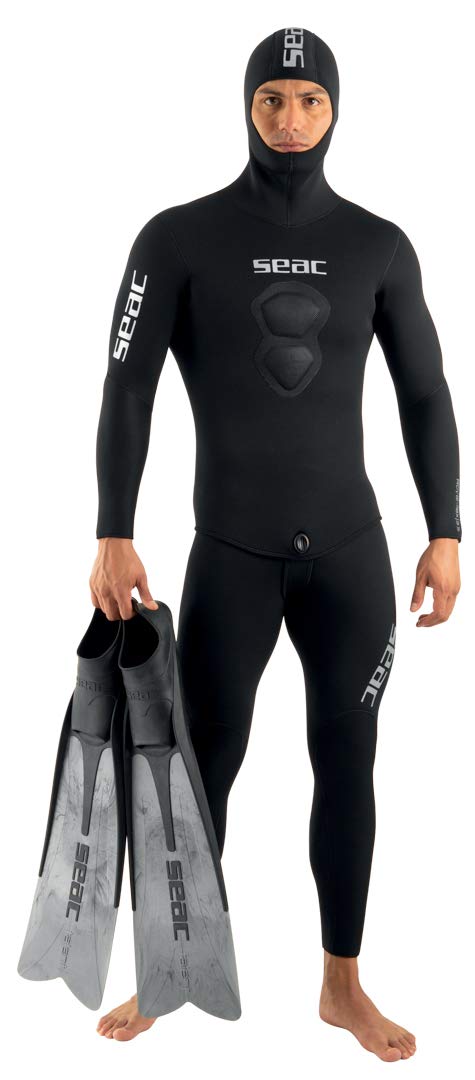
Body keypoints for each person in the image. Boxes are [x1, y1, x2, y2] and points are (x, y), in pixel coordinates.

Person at [91, 27, 461, 1057]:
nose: (290, 119)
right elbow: (126, 386)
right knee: (201, 764)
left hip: (350, 553)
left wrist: (444, 531)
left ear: (333, 109)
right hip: (232, 553)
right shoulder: (177, 238)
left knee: (347, 760)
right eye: (271, 99)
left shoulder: (379, 244)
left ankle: (342, 985)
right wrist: (113, 529)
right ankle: (172, 968)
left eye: (308, 99)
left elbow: (426, 392)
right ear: (246, 105)